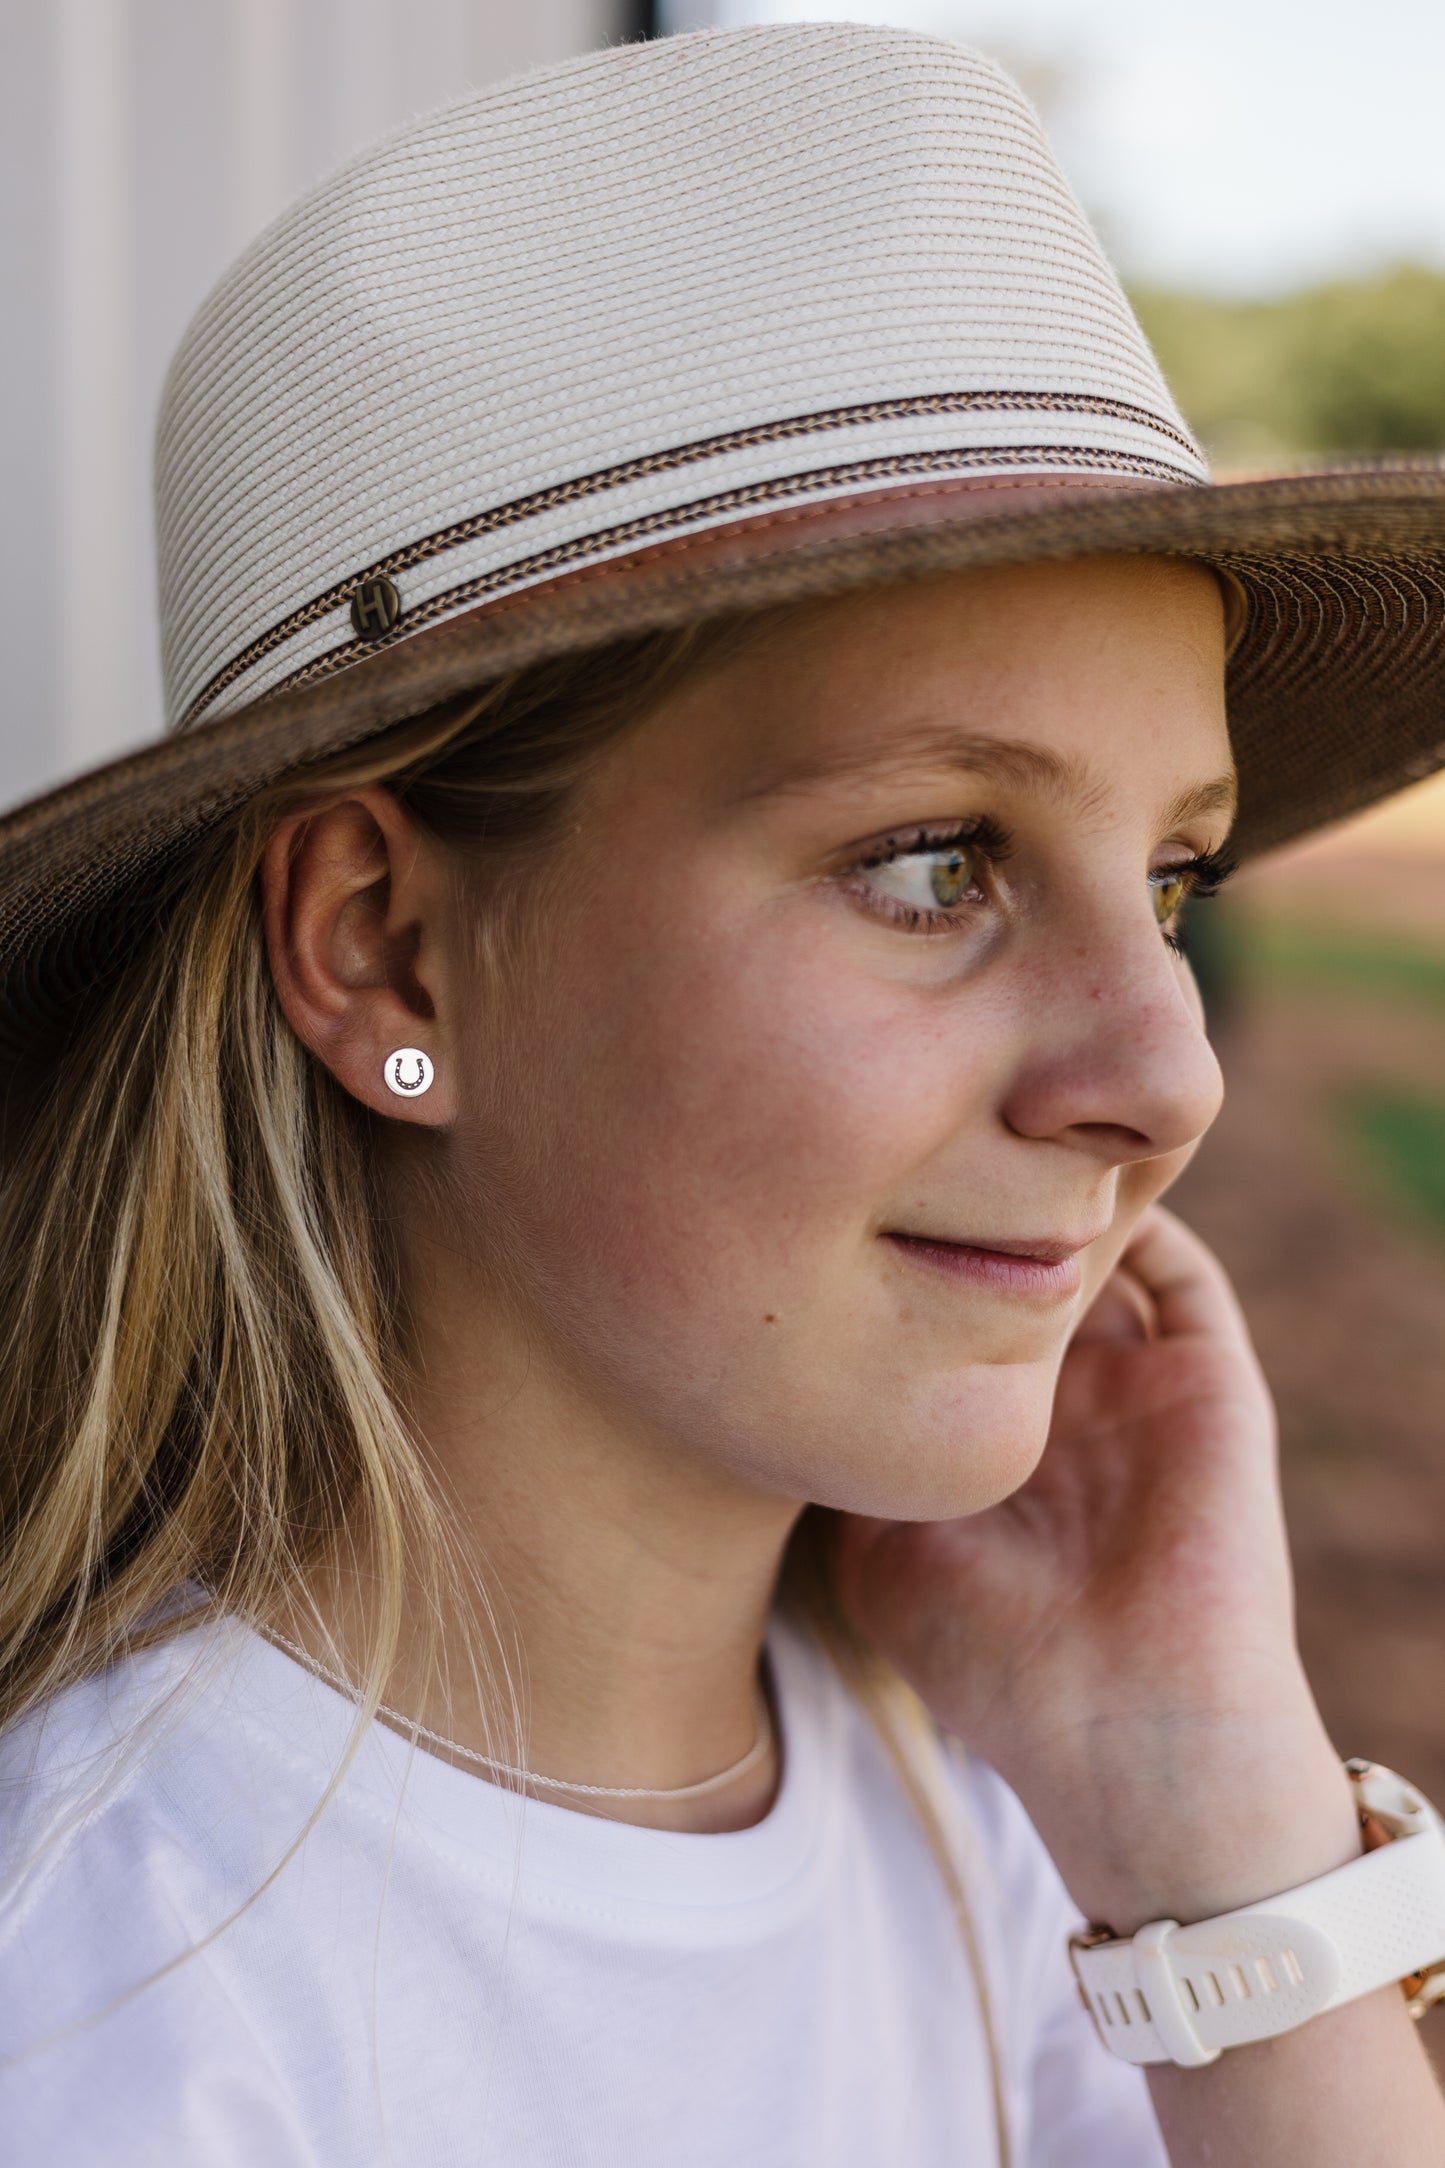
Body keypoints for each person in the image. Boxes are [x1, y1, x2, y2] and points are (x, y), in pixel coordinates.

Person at [1, 24, 1442, 2167]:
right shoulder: (109, 2011)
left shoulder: (1005, 1816)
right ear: (387, 951)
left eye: (1171, 879)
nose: (1169, 1074)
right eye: (934, 863)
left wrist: (1205, 1815)